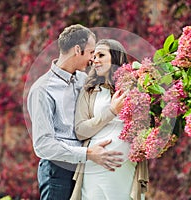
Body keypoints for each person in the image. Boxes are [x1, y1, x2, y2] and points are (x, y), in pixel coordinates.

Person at [27, 25, 124, 200]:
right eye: (91, 52)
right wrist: (87, 154)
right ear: (77, 50)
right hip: (58, 171)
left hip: (85, 169)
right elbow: (43, 144)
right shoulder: (42, 90)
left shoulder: (83, 80)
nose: (93, 59)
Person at [71, 39, 148, 200]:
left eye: (101, 55)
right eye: (94, 56)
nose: (95, 60)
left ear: (115, 57)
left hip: (125, 166)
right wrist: (111, 111)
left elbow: (145, 124)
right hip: (95, 165)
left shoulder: (135, 86)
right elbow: (80, 131)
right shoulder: (89, 91)